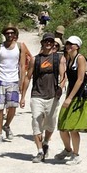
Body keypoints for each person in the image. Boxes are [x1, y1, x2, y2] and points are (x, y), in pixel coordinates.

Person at [0, 24, 30, 142]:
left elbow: (22, 66)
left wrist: (21, 82)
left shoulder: (20, 47)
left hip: (13, 80)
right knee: (0, 108)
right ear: (4, 34)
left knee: (12, 107)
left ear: (15, 34)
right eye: (7, 33)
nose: (9, 35)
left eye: (12, 33)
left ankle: (7, 125)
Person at [27, 33, 65, 162]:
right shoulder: (35, 60)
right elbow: (28, 77)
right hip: (37, 94)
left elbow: (63, 75)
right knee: (36, 122)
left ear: (53, 44)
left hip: (52, 95)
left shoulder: (58, 59)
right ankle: (39, 151)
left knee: (50, 123)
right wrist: (22, 96)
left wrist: (61, 86)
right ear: (42, 43)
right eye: (46, 41)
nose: (48, 43)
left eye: (50, 41)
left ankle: (46, 143)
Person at [56, 34, 87, 164]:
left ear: (77, 46)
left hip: (79, 98)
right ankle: (68, 149)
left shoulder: (80, 59)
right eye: (67, 44)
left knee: (73, 128)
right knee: (63, 126)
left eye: (71, 44)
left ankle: (76, 155)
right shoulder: (69, 59)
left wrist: (70, 98)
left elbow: (80, 79)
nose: (68, 46)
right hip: (71, 96)